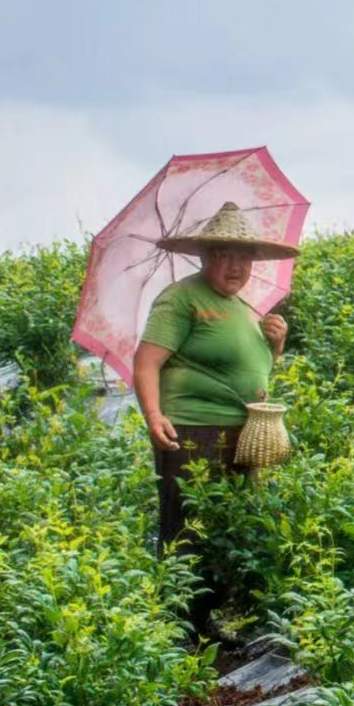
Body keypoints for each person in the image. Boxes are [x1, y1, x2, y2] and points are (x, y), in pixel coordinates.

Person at [132, 202, 295, 639]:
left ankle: (207, 624)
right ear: (205, 256)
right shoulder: (182, 298)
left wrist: (275, 346)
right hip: (191, 432)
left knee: (228, 526)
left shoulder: (245, 306)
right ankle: (176, 631)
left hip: (241, 434)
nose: (235, 265)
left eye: (244, 257)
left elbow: (249, 371)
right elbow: (146, 362)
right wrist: (153, 415)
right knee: (189, 527)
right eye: (224, 255)